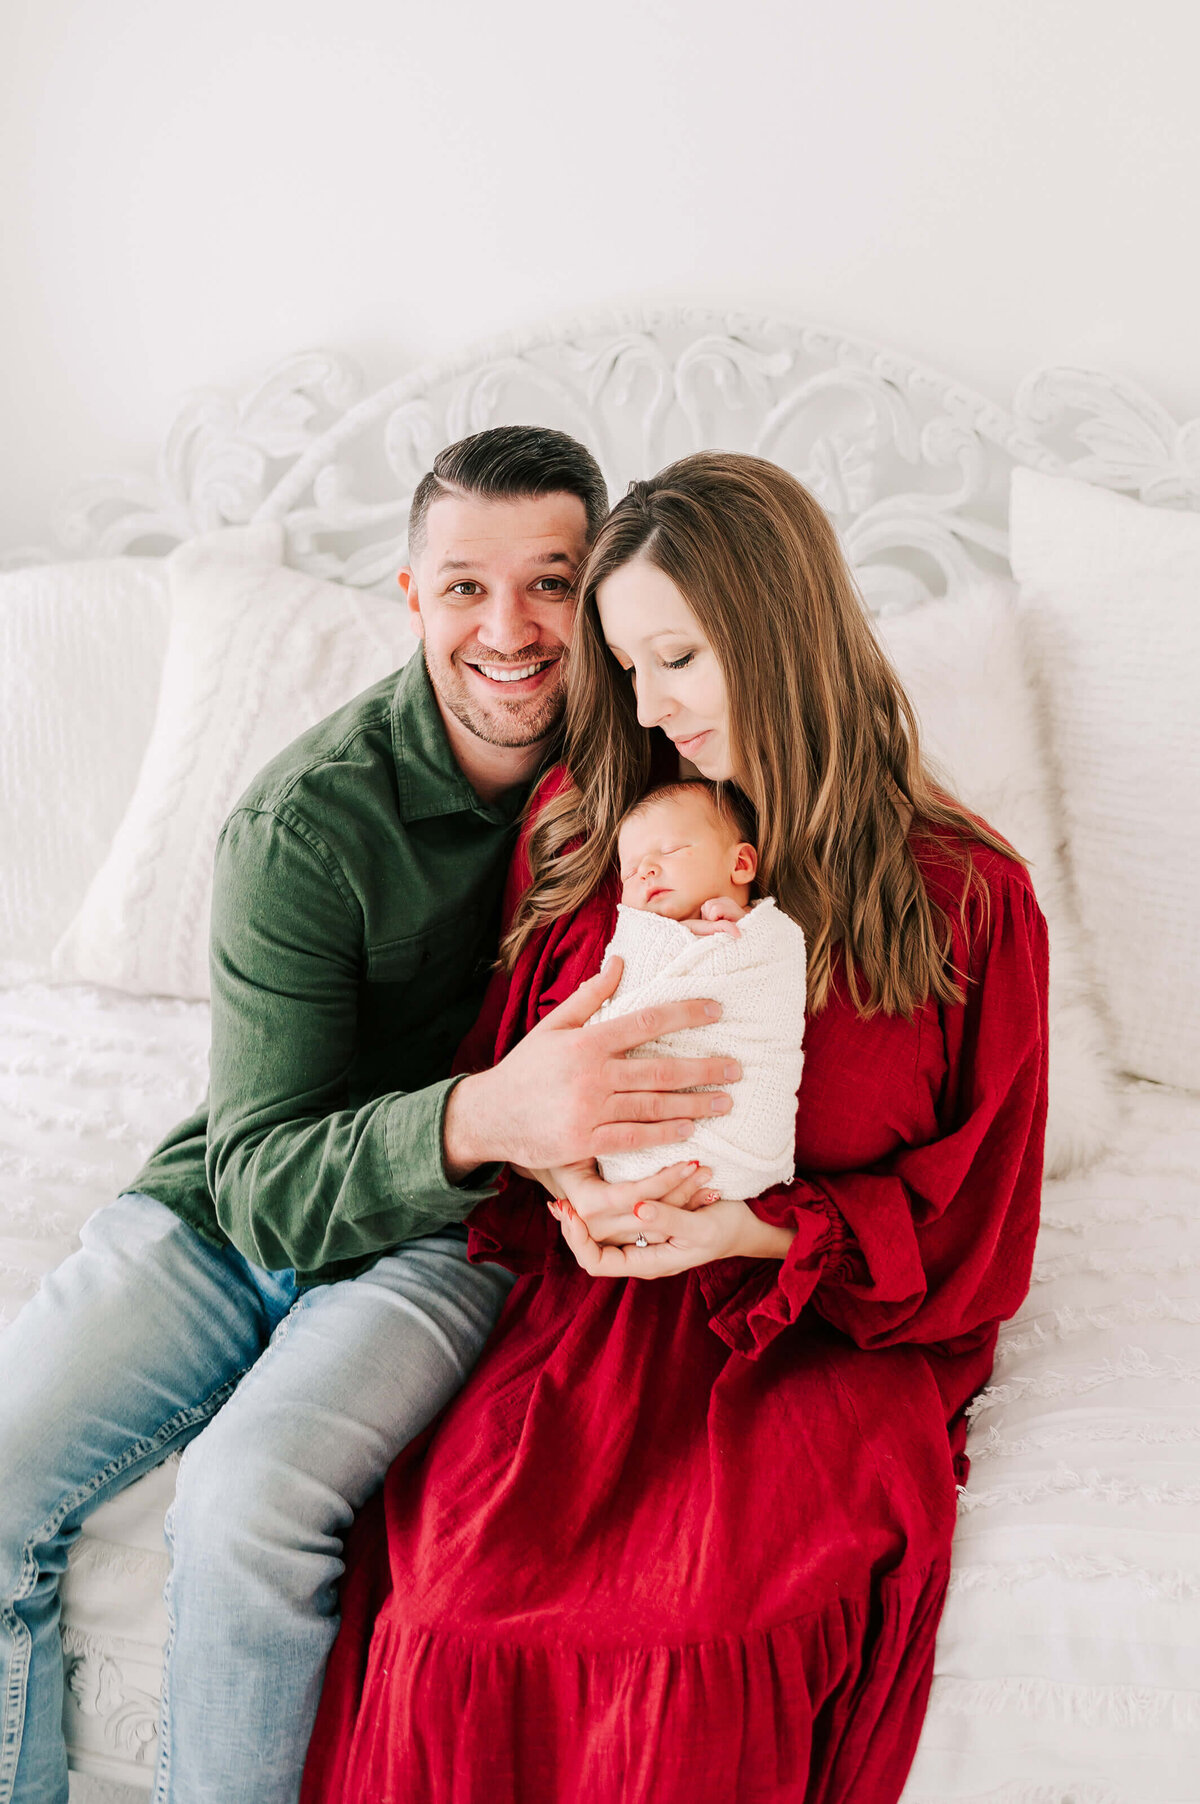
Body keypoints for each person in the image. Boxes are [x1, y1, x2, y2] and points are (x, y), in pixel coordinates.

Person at [0, 426, 739, 1804]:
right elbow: (260, 1178)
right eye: (464, 586)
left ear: (610, 598)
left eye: (552, 584)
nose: (507, 629)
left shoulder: (665, 785)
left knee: (240, 1510)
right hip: (237, 1200)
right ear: (411, 599)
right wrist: (484, 1111)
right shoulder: (302, 823)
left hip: (447, 1233)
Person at [301, 451, 1051, 1804]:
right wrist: (572, 1175)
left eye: (679, 660)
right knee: (445, 1609)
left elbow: (978, 1236)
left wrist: (759, 1229)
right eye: (628, 668)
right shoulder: (598, 836)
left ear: (779, 633)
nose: (650, 705)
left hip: (808, 1336)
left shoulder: (967, 900)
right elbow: (519, 1082)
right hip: (590, 1317)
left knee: (695, 1644)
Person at [591, 778, 809, 1206]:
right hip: (630, 1158)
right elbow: (613, 1002)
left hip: (740, 1141)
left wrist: (736, 933)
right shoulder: (634, 939)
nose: (646, 870)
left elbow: (775, 993)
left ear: (741, 864)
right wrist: (670, 942)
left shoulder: (768, 937)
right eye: (631, 871)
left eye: (670, 851)